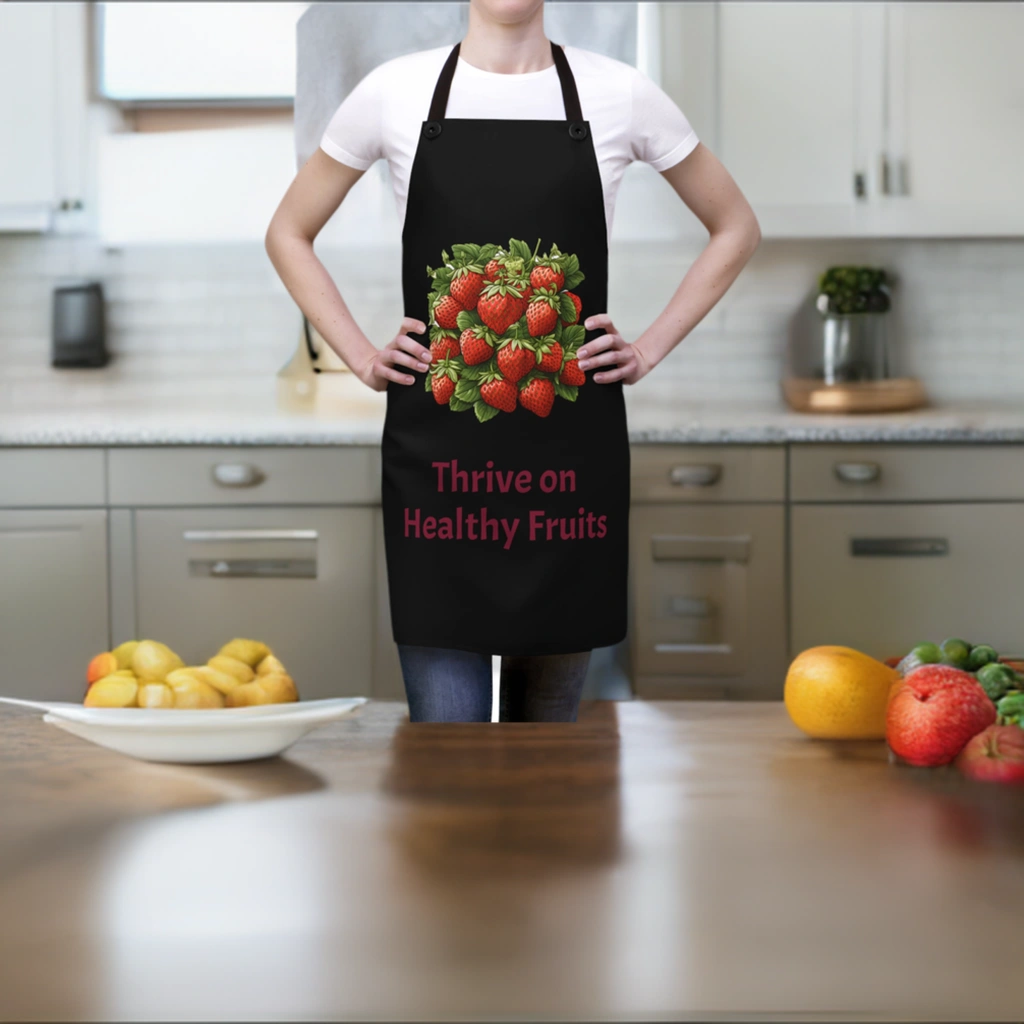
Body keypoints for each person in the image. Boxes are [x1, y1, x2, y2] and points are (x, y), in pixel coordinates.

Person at [266, 0, 760, 724]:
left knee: (549, 767)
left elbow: (736, 226)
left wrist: (649, 347)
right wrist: (363, 355)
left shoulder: (618, 93)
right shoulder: (392, 91)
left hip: (566, 477)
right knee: (447, 751)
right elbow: (288, 232)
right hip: (440, 477)